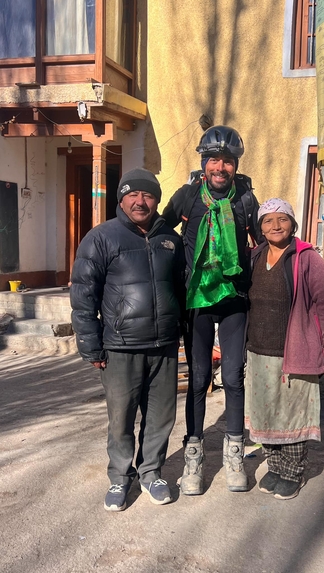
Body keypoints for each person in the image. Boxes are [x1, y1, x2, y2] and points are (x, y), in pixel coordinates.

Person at [70, 167, 185, 511]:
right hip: (119, 347)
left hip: (163, 345)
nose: (140, 200)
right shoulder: (101, 237)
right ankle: (120, 477)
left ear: (156, 200)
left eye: (148, 194)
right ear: (121, 198)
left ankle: (151, 472)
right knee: (121, 418)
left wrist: (183, 334)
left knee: (161, 416)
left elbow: (180, 289)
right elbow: (83, 295)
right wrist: (90, 343)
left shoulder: (171, 240)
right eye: (132, 194)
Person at [162, 125, 261, 495]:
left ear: (235, 165)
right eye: (214, 160)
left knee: (234, 377)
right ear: (204, 163)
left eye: (227, 161)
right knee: (200, 379)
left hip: (234, 297)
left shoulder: (246, 200)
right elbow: (159, 230)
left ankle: (234, 455)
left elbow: (266, 243)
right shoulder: (188, 196)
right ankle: (194, 458)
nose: (220, 167)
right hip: (198, 299)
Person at [245, 198, 324, 500]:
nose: (276, 225)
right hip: (258, 350)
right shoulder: (255, 256)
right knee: (266, 413)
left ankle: (293, 473)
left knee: (293, 414)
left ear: (292, 224)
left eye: (282, 219)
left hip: (295, 350)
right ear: (260, 227)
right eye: (268, 220)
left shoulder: (307, 258)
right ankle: (274, 468)